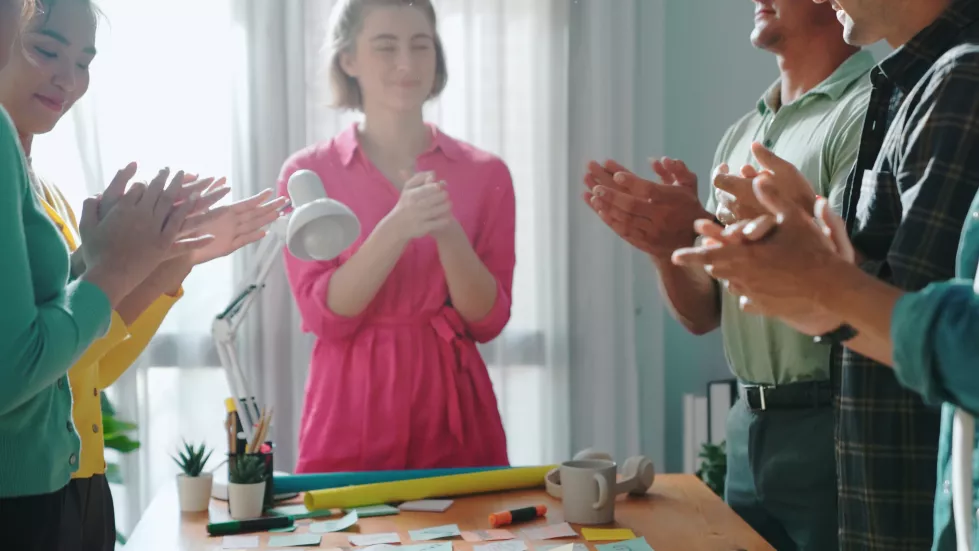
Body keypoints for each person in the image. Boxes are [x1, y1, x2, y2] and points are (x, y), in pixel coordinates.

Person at [673, 0, 979, 548]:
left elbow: (920, 320)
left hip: (875, 452)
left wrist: (819, 274)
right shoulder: (910, 82)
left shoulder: (959, 76)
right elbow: (902, 302)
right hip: (817, 440)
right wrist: (814, 261)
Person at [582, 1, 872, 548]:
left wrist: (710, 225)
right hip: (746, 426)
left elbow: (855, 281)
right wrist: (669, 246)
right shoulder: (743, 133)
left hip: (831, 423)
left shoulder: (870, 109)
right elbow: (704, 315)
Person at [0, 0, 288, 548]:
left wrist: (171, 259)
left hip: (75, 480)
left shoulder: (49, 196)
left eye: (84, 62)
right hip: (31, 493)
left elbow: (90, 368)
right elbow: (30, 364)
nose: (68, 78)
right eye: (45, 50)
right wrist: (132, 262)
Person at [280, 0, 513, 473]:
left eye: (420, 45)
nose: (406, 63)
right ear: (349, 59)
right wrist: (398, 226)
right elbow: (326, 317)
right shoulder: (307, 173)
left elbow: (487, 321)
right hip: (349, 411)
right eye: (386, 46)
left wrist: (447, 231)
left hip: (455, 417)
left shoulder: (486, 173)